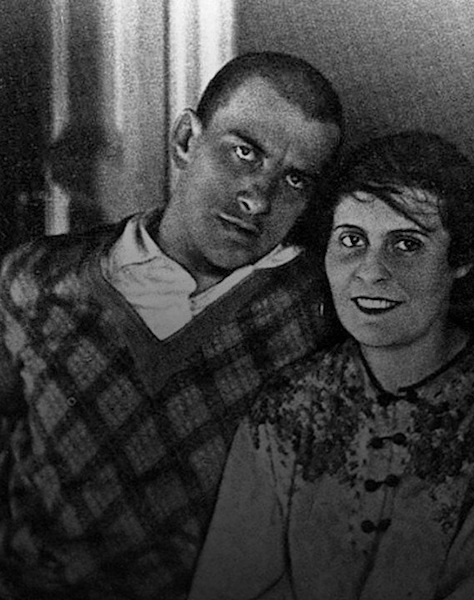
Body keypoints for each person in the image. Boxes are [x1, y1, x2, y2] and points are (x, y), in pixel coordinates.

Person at [0, 52, 343, 599]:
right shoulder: (34, 279)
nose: (258, 199)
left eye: (295, 180)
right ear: (186, 140)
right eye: (244, 152)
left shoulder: (321, 307)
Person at [188, 131, 474, 600]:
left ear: (461, 260)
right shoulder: (287, 407)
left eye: (406, 245)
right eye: (351, 240)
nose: (370, 270)